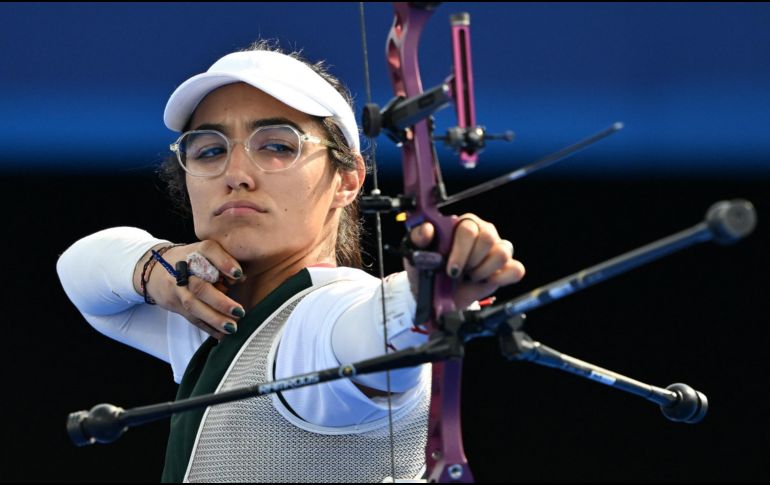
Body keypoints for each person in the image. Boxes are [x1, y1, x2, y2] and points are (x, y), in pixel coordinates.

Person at [57, 41, 525, 482]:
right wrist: (157, 268)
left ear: (347, 180)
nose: (236, 174)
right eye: (210, 151)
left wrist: (422, 293)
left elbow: (369, 330)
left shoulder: (323, 317)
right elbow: (80, 270)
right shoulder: (208, 319)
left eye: (278, 146)